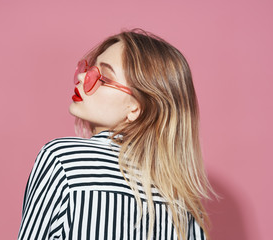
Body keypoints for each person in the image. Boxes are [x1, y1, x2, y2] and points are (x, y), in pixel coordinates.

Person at [18, 29, 214, 240]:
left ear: (135, 107)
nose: (83, 77)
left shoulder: (63, 160)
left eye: (102, 78)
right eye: (89, 69)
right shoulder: (182, 201)